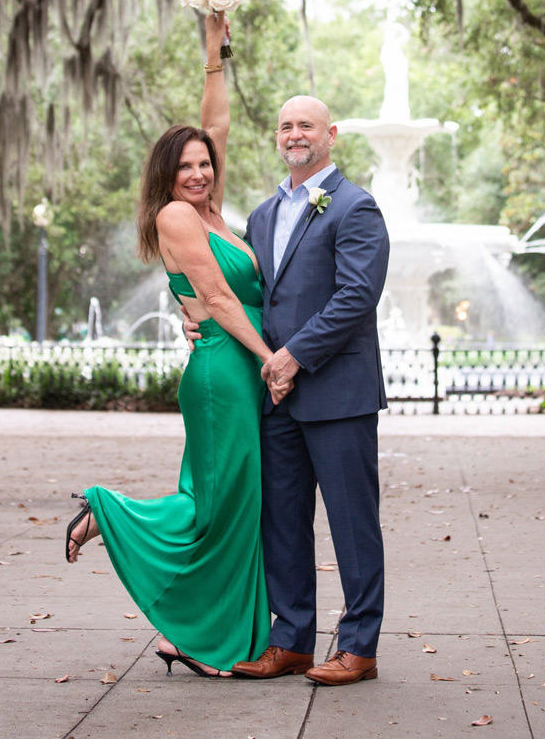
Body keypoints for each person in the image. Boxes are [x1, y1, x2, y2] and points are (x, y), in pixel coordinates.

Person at [65, 11, 289, 677]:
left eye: (203, 164)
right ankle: (105, 511)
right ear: (166, 176)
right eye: (185, 166)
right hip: (225, 370)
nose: (197, 171)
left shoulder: (214, 205)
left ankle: (185, 633)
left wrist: (214, 49)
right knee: (213, 505)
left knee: (236, 507)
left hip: (240, 366)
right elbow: (218, 301)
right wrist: (270, 358)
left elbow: (213, 126)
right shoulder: (176, 215)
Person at [223, 94, 390, 686]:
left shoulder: (355, 207)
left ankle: (359, 647)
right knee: (282, 521)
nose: (296, 134)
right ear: (277, 137)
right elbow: (252, 292)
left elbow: (355, 297)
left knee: (352, 523)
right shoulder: (264, 215)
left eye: (307, 126)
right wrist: (201, 317)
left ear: (331, 135)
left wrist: (293, 355)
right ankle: (290, 641)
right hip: (278, 399)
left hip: (338, 393)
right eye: (287, 126)